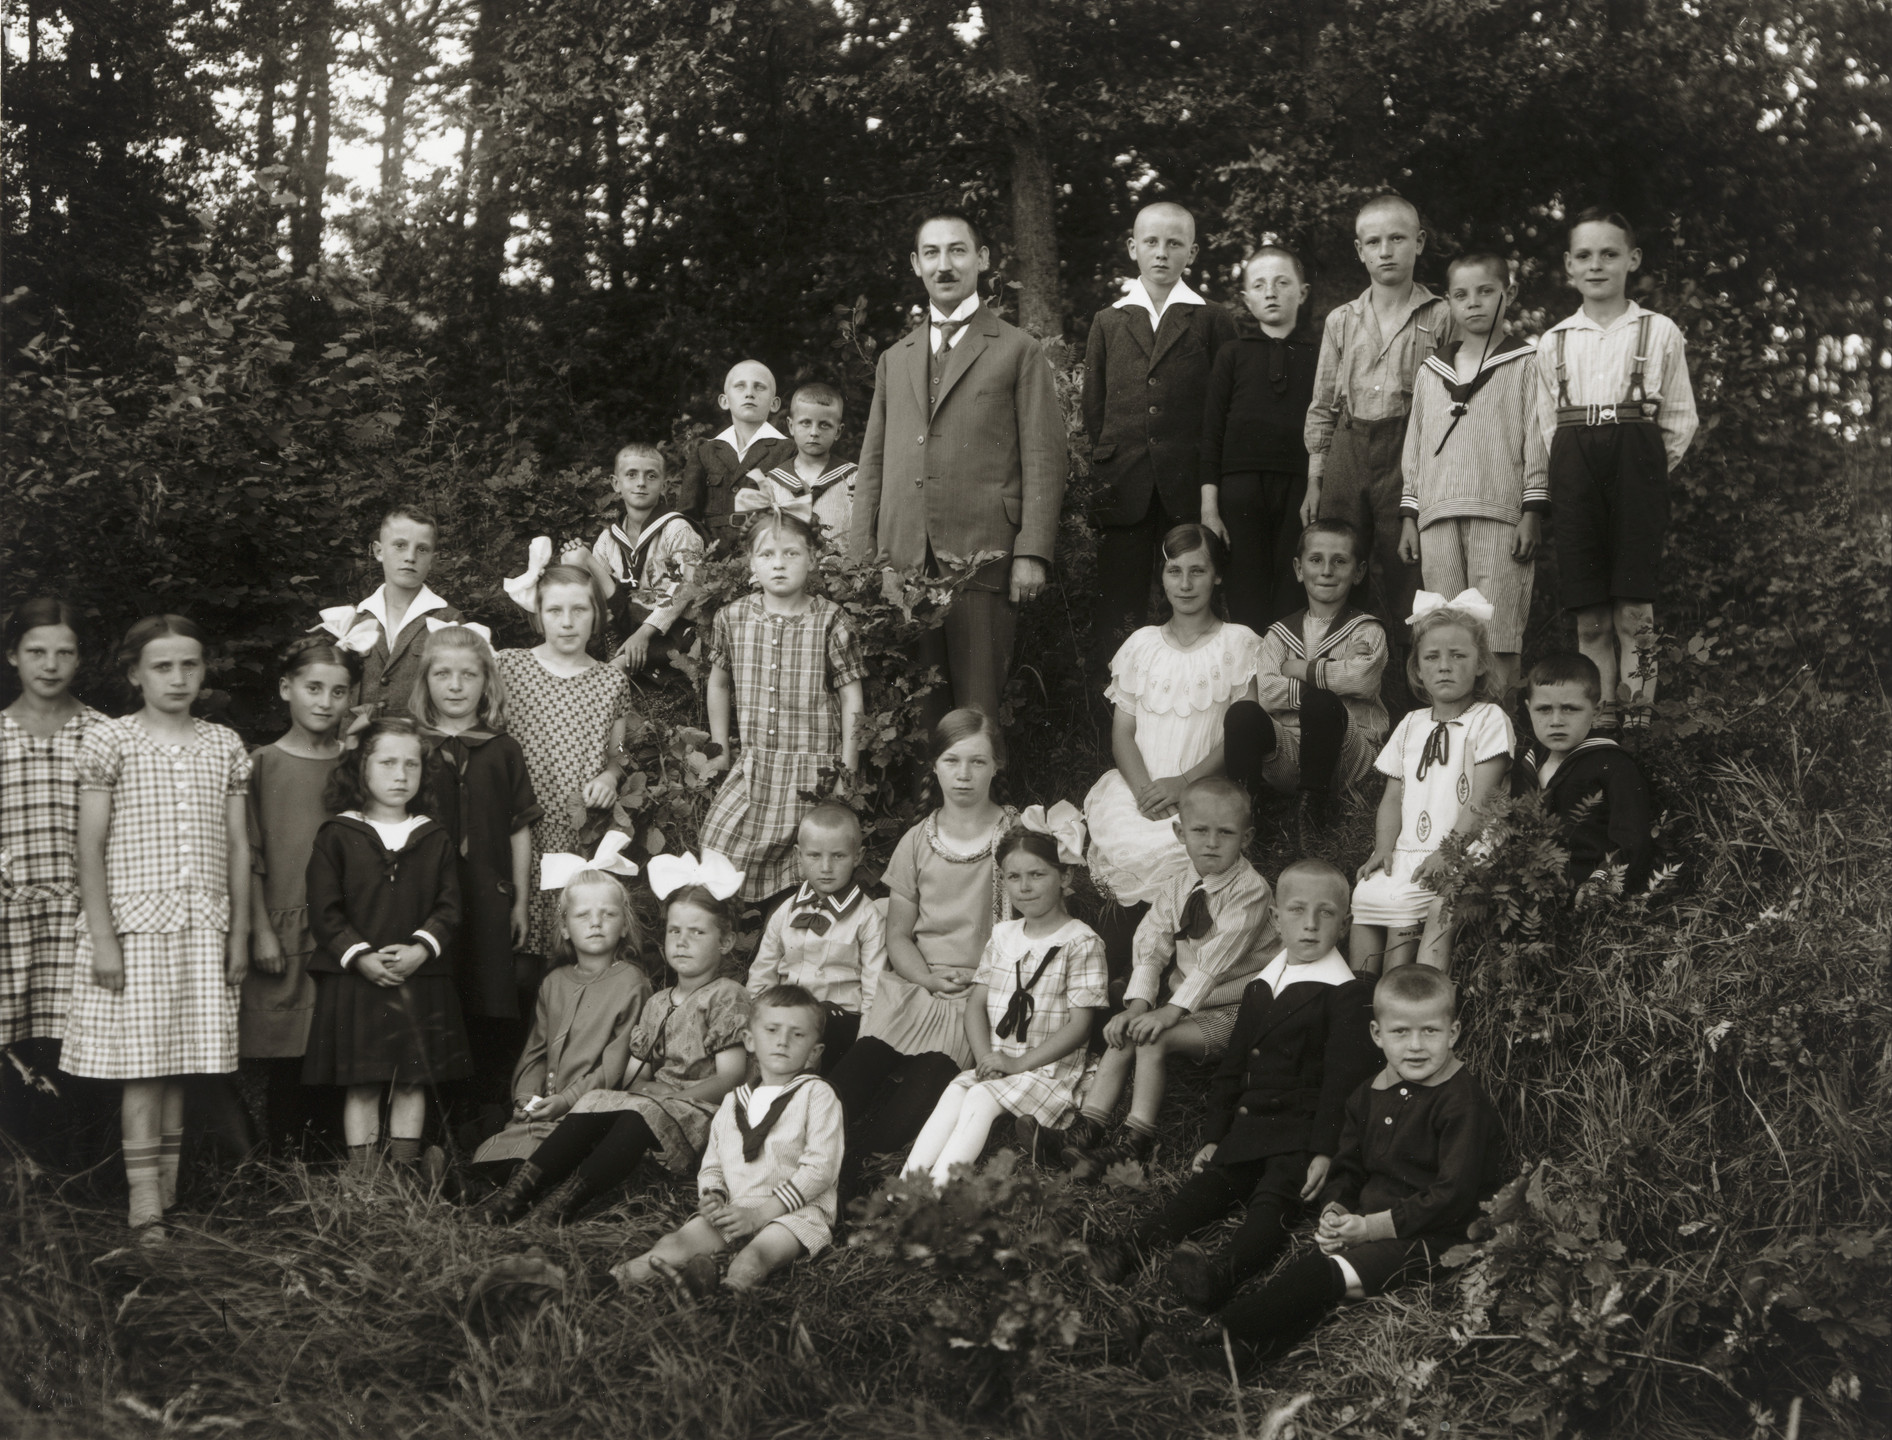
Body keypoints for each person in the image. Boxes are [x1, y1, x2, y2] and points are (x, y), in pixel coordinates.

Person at [1139, 965, 1506, 1377]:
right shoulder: (1367, 1094)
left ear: (1453, 1033)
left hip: (1438, 1236)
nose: (1416, 1046)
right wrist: (1336, 1210)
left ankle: (1199, 1335)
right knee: (1316, 1291)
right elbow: (1348, 1168)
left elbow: (1453, 1195)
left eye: (1431, 1032)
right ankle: (1227, 1363)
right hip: (1371, 1225)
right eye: (1401, 1032)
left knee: (1319, 1276)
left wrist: (1370, 1229)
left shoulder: (1462, 1103)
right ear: (1377, 1035)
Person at [1087, 859, 1377, 1311]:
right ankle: (1127, 1249)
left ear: (1345, 925)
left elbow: (1345, 1084)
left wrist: (1325, 1150)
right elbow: (1234, 1066)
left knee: (1269, 1209)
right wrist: (1214, 1135)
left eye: (1326, 914)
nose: (1310, 924)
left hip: (1299, 1135)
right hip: (1249, 1125)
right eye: (1297, 911)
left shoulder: (1346, 993)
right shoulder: (1261, 984)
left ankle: (1222, 1273)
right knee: (1203, 1193)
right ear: (1276, 920)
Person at [64, 616, 252, 1234]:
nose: (178, 678)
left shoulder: (223, 744)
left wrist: (240, 934)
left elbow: (237, 847)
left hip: (202, 925)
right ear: (134, 674)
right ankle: (143, 1202)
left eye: (190, 665)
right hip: (133, 927)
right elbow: (89, 847)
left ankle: (167, 1194)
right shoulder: (111, 741)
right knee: (142, 1068)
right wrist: (103, 937)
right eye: (163, 666)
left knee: (179, 1063)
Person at [849, 212, 1067, 734]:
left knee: (976, 712)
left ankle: (987, 815)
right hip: (902, 564)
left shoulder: (1017, 349)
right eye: (932, 253)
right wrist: (862, 562)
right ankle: (928, 816)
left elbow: (1044, 456)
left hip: (981, 556)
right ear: (915, 264)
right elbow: (873, 462)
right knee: (918, 716)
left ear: (982, 259)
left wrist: (1032, 553)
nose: (944, 265)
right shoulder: (893, 359)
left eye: (957, 251)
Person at [474, 852, 752, 1226]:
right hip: (653, 1103)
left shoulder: (727, 995)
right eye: (674, 931)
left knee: (636, 1111)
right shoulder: (658, 1002)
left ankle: (562, 1205)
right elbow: (635, 1072)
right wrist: (620, 1096)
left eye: (697, 932)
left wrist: (670, 1097)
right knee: (596, 1101)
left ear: (726, 941)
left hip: (696, 1112)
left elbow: (731, 1077)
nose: (682, 942)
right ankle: (515, 1196)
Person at [825, 708, 1017, 1199]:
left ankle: (855, 1171)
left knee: (925, 1083)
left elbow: (1025, 932)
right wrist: (926, 980)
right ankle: (805, 1144)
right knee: (857, 1068)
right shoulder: (917, 841)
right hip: (918, 985)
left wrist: (980, 984)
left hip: (978, 994)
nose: (964, 775)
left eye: (978, 762)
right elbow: (899, 937)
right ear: (935, 766)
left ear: (997, 764)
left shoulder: (1014, 837)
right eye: (952, 761)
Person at [1062, 776, 1278, 1180]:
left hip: (1239, 1010)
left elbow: (1215, 962)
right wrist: (1139, 1005)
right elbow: (1150, 943)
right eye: (1200, 831)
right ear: (1180, 832)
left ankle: (1135, 1142)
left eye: (1225, 833)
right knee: (1128, 1030)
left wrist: (1167, 1014)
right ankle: (1084, 1129)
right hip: (1185, 1007)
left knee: (1153, 1036)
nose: (1211, 842)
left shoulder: (1250, 891)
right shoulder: (1179, 884)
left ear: (1246, 838)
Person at [1537, 209, 1698, 736]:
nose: (1597, 265)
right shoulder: (1554, 342)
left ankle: (1639, 719)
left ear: (1633, 259)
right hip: (1574, 470)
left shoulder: (1659, 331)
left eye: (1609, 254)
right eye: (1584, 255)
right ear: (1569, 266)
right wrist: (1569, 476)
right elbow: (1545, 429)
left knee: (1634, 611)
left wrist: (1647, 472)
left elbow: (1677, 421)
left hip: (1636, 466)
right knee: (1590, 616)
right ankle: (1600, 722)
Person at [1305, 195, 1453, 712]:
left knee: (1412, 579)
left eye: (1397, 238)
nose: (1386, 251)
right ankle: (1344, 709)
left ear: (1419, 243)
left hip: (1409, 456)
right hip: (1347, 450)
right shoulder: (1342, 320)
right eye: (1373, 242)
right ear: (1359, 251)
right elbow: (1323, 405)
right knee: (1338, 573)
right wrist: (1315, 479)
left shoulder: (1442, 315)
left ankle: (1424, 709)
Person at [302, 717, 467, 1179]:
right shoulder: (338, 834)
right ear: (361, 768)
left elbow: (450, 906)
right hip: (359, 980)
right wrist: (360, 956)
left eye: (411, 765)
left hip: (420, 977)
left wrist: (420, 949)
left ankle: (405, 1177)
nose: (400, 775)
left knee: (412, 1081)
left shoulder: (432, 835)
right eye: (388, 762)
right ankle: (366, 1184)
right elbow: (324, 911)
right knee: (362, 1084)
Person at [1081, 201, 1240, 672]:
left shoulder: (1211, 318)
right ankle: (1116, 707)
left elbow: (1223, 407)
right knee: (1120, 602)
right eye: (1151, 242)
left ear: (1191, 251)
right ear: (1133, 248)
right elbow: (1095, 407)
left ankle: (1195, 689)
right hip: (1123, 485)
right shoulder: (1109, 320)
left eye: (1174, 244)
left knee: (1192, 592)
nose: (1162, 253)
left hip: (1188, 484)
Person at [903, 822, 1108, 1187]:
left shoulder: (1081, 942)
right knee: (957, 1089)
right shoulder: (1003, 936)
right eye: (1014, 877)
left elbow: (1080, 1027)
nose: (1024, 887)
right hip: (999, 1065)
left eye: (1037, 875)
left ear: (1064, 876)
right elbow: (975, 1006)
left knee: (981, 1098)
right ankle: (905, 1187)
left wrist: (1017, 1063)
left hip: (1047, 1070)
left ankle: (935, 1193)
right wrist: (986, 1060)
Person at [612, 984, 845, 1297]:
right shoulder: (734, 1101)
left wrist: (760, 1215)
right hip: (736, 1209)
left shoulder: (817, 1094)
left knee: (755, 1257)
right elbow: (713, 1164)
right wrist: (713, 1196)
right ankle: (613, 1280)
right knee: (674, 1243)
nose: (782, 1041)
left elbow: (820, 1169)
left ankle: (723, 1299)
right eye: (772, 1029)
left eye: (798, 1034)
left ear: (814, 1052)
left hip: (795, 1214)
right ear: (749, 1040)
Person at [1083, 524, 1263, 910]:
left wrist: (1184, 783)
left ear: (1216, 575)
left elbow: (1238, 733)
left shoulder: (1239, 642)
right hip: (1141, 788)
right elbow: (1123, 734)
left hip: (1204, 786)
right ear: (1161, 577)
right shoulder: (1141, 644)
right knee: (1128, 861)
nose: (1185, 583)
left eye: (1197, 571)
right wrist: (1146, 793)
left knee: (1186, 868)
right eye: (1174, 571)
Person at [1397, 252, 1549, 698]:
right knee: (1442, 632)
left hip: (1499, 514)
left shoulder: (1526, 362)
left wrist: (1531, 512)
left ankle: (1498, 736)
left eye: (1486, 291)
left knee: (1499, 632)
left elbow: (1536, 439)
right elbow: (1416, 448)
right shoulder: (1431, 370)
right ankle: (1450, 731)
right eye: (1462, 295)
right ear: (1448, 303)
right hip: (1437, 517)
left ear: (1509, 293)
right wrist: (1410, 514)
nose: (1475, 303)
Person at [411, 621, 541, 1135]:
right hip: (425, 900)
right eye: (443, 674)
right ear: (426, 683)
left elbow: (519, 830)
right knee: (435, 996)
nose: (456, 685)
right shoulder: (411, 747)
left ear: (487, 682)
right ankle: (429, 1122)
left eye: (469, 675)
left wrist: (520, 904)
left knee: (489, 998)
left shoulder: (502, 749)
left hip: (488, 896)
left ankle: (484, 1119)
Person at [702, 511, 866, 905]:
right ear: (751, 563)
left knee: (812, 864)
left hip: (814, 772)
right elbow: (719, 683)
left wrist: (848, 768)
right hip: (756, 765)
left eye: (791, 553)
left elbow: (852, 697)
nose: (779, 563)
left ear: (812, 558)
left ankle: (798, 934)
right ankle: (737, 934)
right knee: (717, 844)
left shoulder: (831, 619)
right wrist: (720, 747)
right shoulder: (733, 617)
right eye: (767, 554)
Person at [1351, 592, 1514, 972]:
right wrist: (1383, 847)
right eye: (1432, 657)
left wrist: (1448, 851)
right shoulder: (1410, 724)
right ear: (1418, 671)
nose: (1445, 666)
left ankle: (1402, 993)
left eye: (1458, 656)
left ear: (1480, 665)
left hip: (1464, 844)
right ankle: (1357, 999)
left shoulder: (1488, 719)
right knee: (1367, 896)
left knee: (1407, 905)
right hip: (1411, 845)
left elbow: (1482, 797)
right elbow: (1393, 797)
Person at [241, 635, 355, 1151]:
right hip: (282, 925)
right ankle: (283, 1160)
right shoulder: (261, 763)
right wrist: (262, 930)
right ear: (287, 688)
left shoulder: (354, 766)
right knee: (286, 1048)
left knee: (334, 1044)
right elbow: (252, 853)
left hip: (341, 930)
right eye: (313, 688)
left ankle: (329, 1158)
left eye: (338, 691)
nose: (324, 702)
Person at [495, 549, 633, 962]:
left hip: (577, 836)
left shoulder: (611, 680)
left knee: (570, 950)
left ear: (598, 615)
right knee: (513, 950)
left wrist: (611, 777)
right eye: (555, 610)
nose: (568, 621)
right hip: (518, 832)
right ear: (538, 616)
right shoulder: (508, 667)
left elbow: (620, 752)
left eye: (579, 609)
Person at [469, 867, 651, 1175]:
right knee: (501, 1140)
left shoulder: (631, 983)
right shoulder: (554, 982)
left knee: (549, 1153)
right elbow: (536, 1054)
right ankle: (469, 1179)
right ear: (565, 927)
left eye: (608, 914)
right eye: (582, 915)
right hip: (546, 1105)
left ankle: (494, 1182)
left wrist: (565, 1101)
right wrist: (526, 1100)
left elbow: (613, 1068)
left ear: (624, 926)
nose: (596, 923)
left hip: (588, 1110)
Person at [1223, 519, 1389, 833]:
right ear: (1299, 569)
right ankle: (1244, 819)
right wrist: (1334, 671)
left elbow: (1361, 680)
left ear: (1359, 571)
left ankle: (1311, 818)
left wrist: (1300, 668)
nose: (1326, 570)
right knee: (1243, 713)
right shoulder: (1279, 634)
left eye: (1339, 561)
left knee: (1322, 702)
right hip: (1290, 755)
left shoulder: (1366, 629)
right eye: (1316, 560)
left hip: (1348, 756)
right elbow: (1269, 691)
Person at [1, 599, 103, 1059]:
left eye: (65, 652)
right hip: (9, 920)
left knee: (80, 1050)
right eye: (36, 651)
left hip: (81, 922)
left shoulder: (105, 734)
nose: (50, 665)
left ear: (79, 658)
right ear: (12, 655)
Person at [1200, 245, 1320, 630]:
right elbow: (1212, 432)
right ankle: (1251, 687)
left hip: (1299, 490)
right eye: (1260, 284)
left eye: (1282, 282)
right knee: (1246, 596)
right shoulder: (1232, 354)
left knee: (1293, 592)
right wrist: (1209, 509)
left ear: (1301, 292)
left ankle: (1287, 685)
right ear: (1246, 297)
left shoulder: (1320, 354)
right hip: (1240, 490)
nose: (1271, 292)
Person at [746, 801, 886, 1071]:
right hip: (787, 1019)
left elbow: (874, 991)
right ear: (799, 855)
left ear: (857, 856)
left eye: (838, 856)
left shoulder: (867, 917)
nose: (825, 867)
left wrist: (862, 1048)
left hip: (839, 1022)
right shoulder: (785, 912)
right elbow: (762, 975)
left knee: (815, 1022)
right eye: (814, 855)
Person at [1512, 652, 1656, 894]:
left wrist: (1600, 883)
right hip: (1529, 889)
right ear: (1529, 710)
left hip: (1587, 889)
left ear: (1597, 711)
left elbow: (1633, 839)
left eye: (1570, 709)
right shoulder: (1525, 763)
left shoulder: (1612, 764)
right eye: (1544, 709)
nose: (1556, 720)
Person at [575, 442, 705, 675]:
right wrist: (580, 559)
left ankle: (623, 664)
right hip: (628, 622)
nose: (641, 483)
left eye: (651, 476)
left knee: (614, 669)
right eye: (631, 475)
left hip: (670, 629)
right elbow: (598, 590)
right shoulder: (608, 538)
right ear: (616, 483)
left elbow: (685, 587)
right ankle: (610, 641)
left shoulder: (677, 529)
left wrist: (644, 633)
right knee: (577, 559)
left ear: (664, 485)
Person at [330, 506, 462, 719]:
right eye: (400, 545)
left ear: (433, 560)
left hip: (419, 746)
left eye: (422, 549)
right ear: (378, 551)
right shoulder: (354, 619)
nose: (410, 557)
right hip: (357, 745)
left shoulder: (448, 620)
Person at [677, 360, 799, 550]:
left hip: (765, 550)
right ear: (724, 401)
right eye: (740, 386)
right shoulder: (705, 450)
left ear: (775, 404)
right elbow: (687, 516)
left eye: (759, 387)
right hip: (713, 555)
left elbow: (793, 512)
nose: (749, 393)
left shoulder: (788, 449)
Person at [753, 383, 858, 539]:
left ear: (838, 431)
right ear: (791, 426)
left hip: (843, 562)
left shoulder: (854, 478)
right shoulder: (771, 484)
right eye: (806, 423)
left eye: (824, 425)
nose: (814, 432)